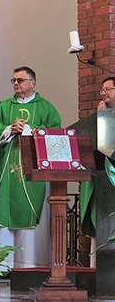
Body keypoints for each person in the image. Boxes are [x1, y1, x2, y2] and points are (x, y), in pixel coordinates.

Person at [0, 66, 60, 268]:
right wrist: (9, 129)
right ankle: (4, 264)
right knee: (6, 209)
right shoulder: (3, 107)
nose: (16, 84)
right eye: (13, 80)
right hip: (7, 169)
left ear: (32, 83)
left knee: (32, 209)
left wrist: (28, 130)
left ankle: (31, 263)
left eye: (20, 80)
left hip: (34, 170)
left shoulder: (45, 107)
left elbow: (55, 135)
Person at [80, 76, 115, 240]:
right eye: (102, 90)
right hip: (102, 176)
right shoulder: (101, 115)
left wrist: (105, 119)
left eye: (108, 89)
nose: (103, 93)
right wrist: (101, 118)